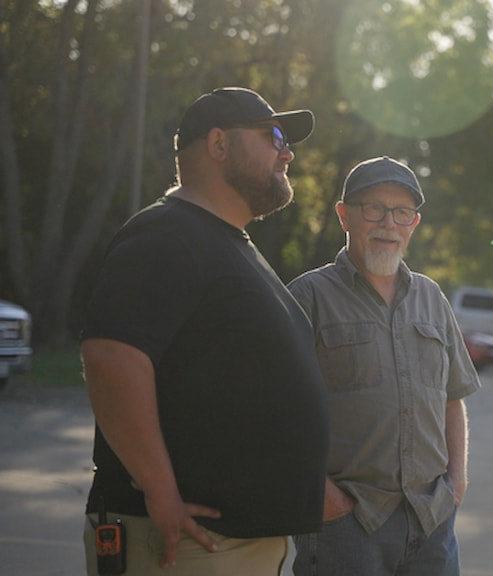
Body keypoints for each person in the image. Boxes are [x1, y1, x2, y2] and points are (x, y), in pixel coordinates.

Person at [79, 87, 329, 576]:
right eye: (273, 135)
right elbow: (110, 359)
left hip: (233, 545)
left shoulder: (230, 245)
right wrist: (161, 491)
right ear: (218, 145)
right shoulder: (166, 234)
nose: (288, 151)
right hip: (182, 543)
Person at [288, 156, 481, 576]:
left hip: (433, 522)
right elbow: (275, 414)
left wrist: (457, 484)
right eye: (373, 208)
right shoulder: (307, 297)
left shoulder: (432, 298)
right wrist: (328, 502)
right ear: (344, 216)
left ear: (414, 223)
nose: (388, 223)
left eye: (402, 212)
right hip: (347, 527)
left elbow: (452, 399)